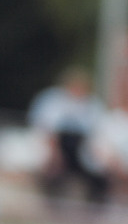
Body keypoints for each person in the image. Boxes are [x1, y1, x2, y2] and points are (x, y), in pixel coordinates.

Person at [27, 67, 107, 208]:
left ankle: (95, 206)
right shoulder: (52, 100)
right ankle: (49, 202)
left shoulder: (93, 104)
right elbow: (46, 128)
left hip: (82, 146)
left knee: (100, 171)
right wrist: (55, 152)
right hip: (56, 144)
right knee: (51, 168)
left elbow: (97, 133)